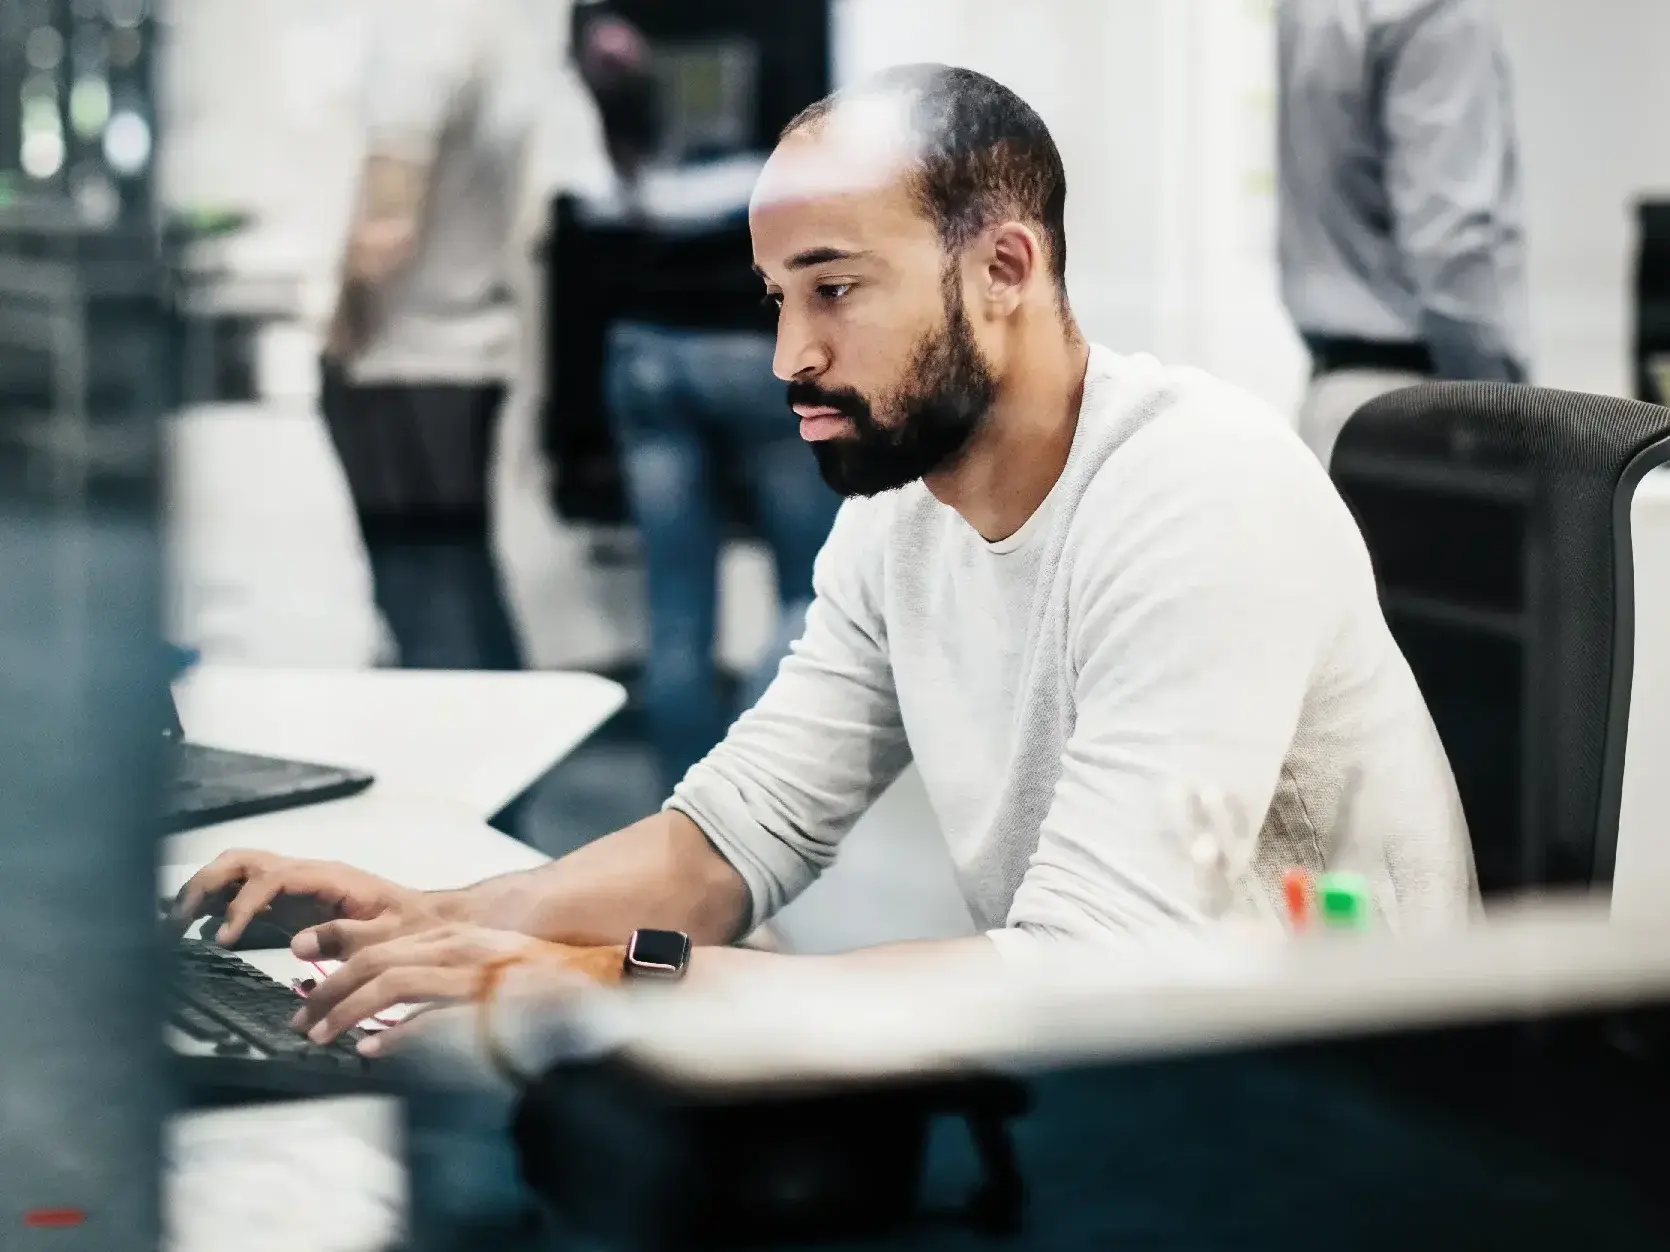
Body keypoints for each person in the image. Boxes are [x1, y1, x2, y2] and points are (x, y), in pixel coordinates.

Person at [176, 65, 1474, 1047]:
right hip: (1132, 1095)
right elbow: (722, 850)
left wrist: (583, 973)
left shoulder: (1197, 494)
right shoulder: (901, 514)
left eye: (834, 289)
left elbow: (1076, 980)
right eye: (776, 300)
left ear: (1003, 268)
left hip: (1333, 1125)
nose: (789, 355)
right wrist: (438, 917)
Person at [570, 2, 842, 791]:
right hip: (759, 342)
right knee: (811, 594)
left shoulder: (611, 15)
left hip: (646, 342)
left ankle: (685, 822)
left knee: (677, 611)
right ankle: (753, 799)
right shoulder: (793, 24)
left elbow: (593, 177)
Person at [319, 0, 569, 671]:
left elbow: (384, 232)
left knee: (425, 604)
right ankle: (519, 772)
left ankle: (463, 777)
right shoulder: (501, 29)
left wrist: (337, 329)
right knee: (463, 582)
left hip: (402, 359)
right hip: (469, 347)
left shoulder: (419, 35)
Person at [1276, 0, 1532, 468]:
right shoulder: (1437, 12)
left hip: (1335, 400)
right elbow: (1452, 244)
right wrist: (1513, 419)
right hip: (1431, 415)